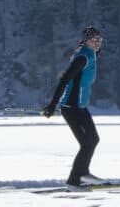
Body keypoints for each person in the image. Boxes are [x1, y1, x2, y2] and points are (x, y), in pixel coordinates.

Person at [43, 26, 107, 191]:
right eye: (94, 40)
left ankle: (83, 174)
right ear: (86, 41)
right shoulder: (83, 58)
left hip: (80, 107)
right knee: (87, 143)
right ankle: (74, 180)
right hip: (71, 108)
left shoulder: (91, 55)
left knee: (92, 140)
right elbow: (64, 79)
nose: (97, 42)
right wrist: (52, 104)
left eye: (99, 39)